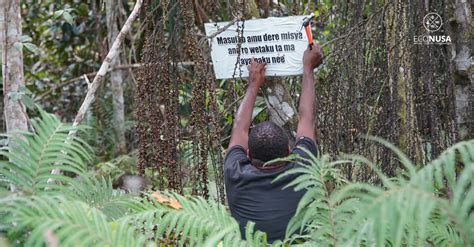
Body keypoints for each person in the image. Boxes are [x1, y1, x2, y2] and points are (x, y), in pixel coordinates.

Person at [224, 44, 323, 243]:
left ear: (249, 155)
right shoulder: (302, 170)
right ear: (289, 151)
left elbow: (239, 129)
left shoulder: (235, 173)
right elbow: (307, 119)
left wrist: (253, 83)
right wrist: (308, 68)